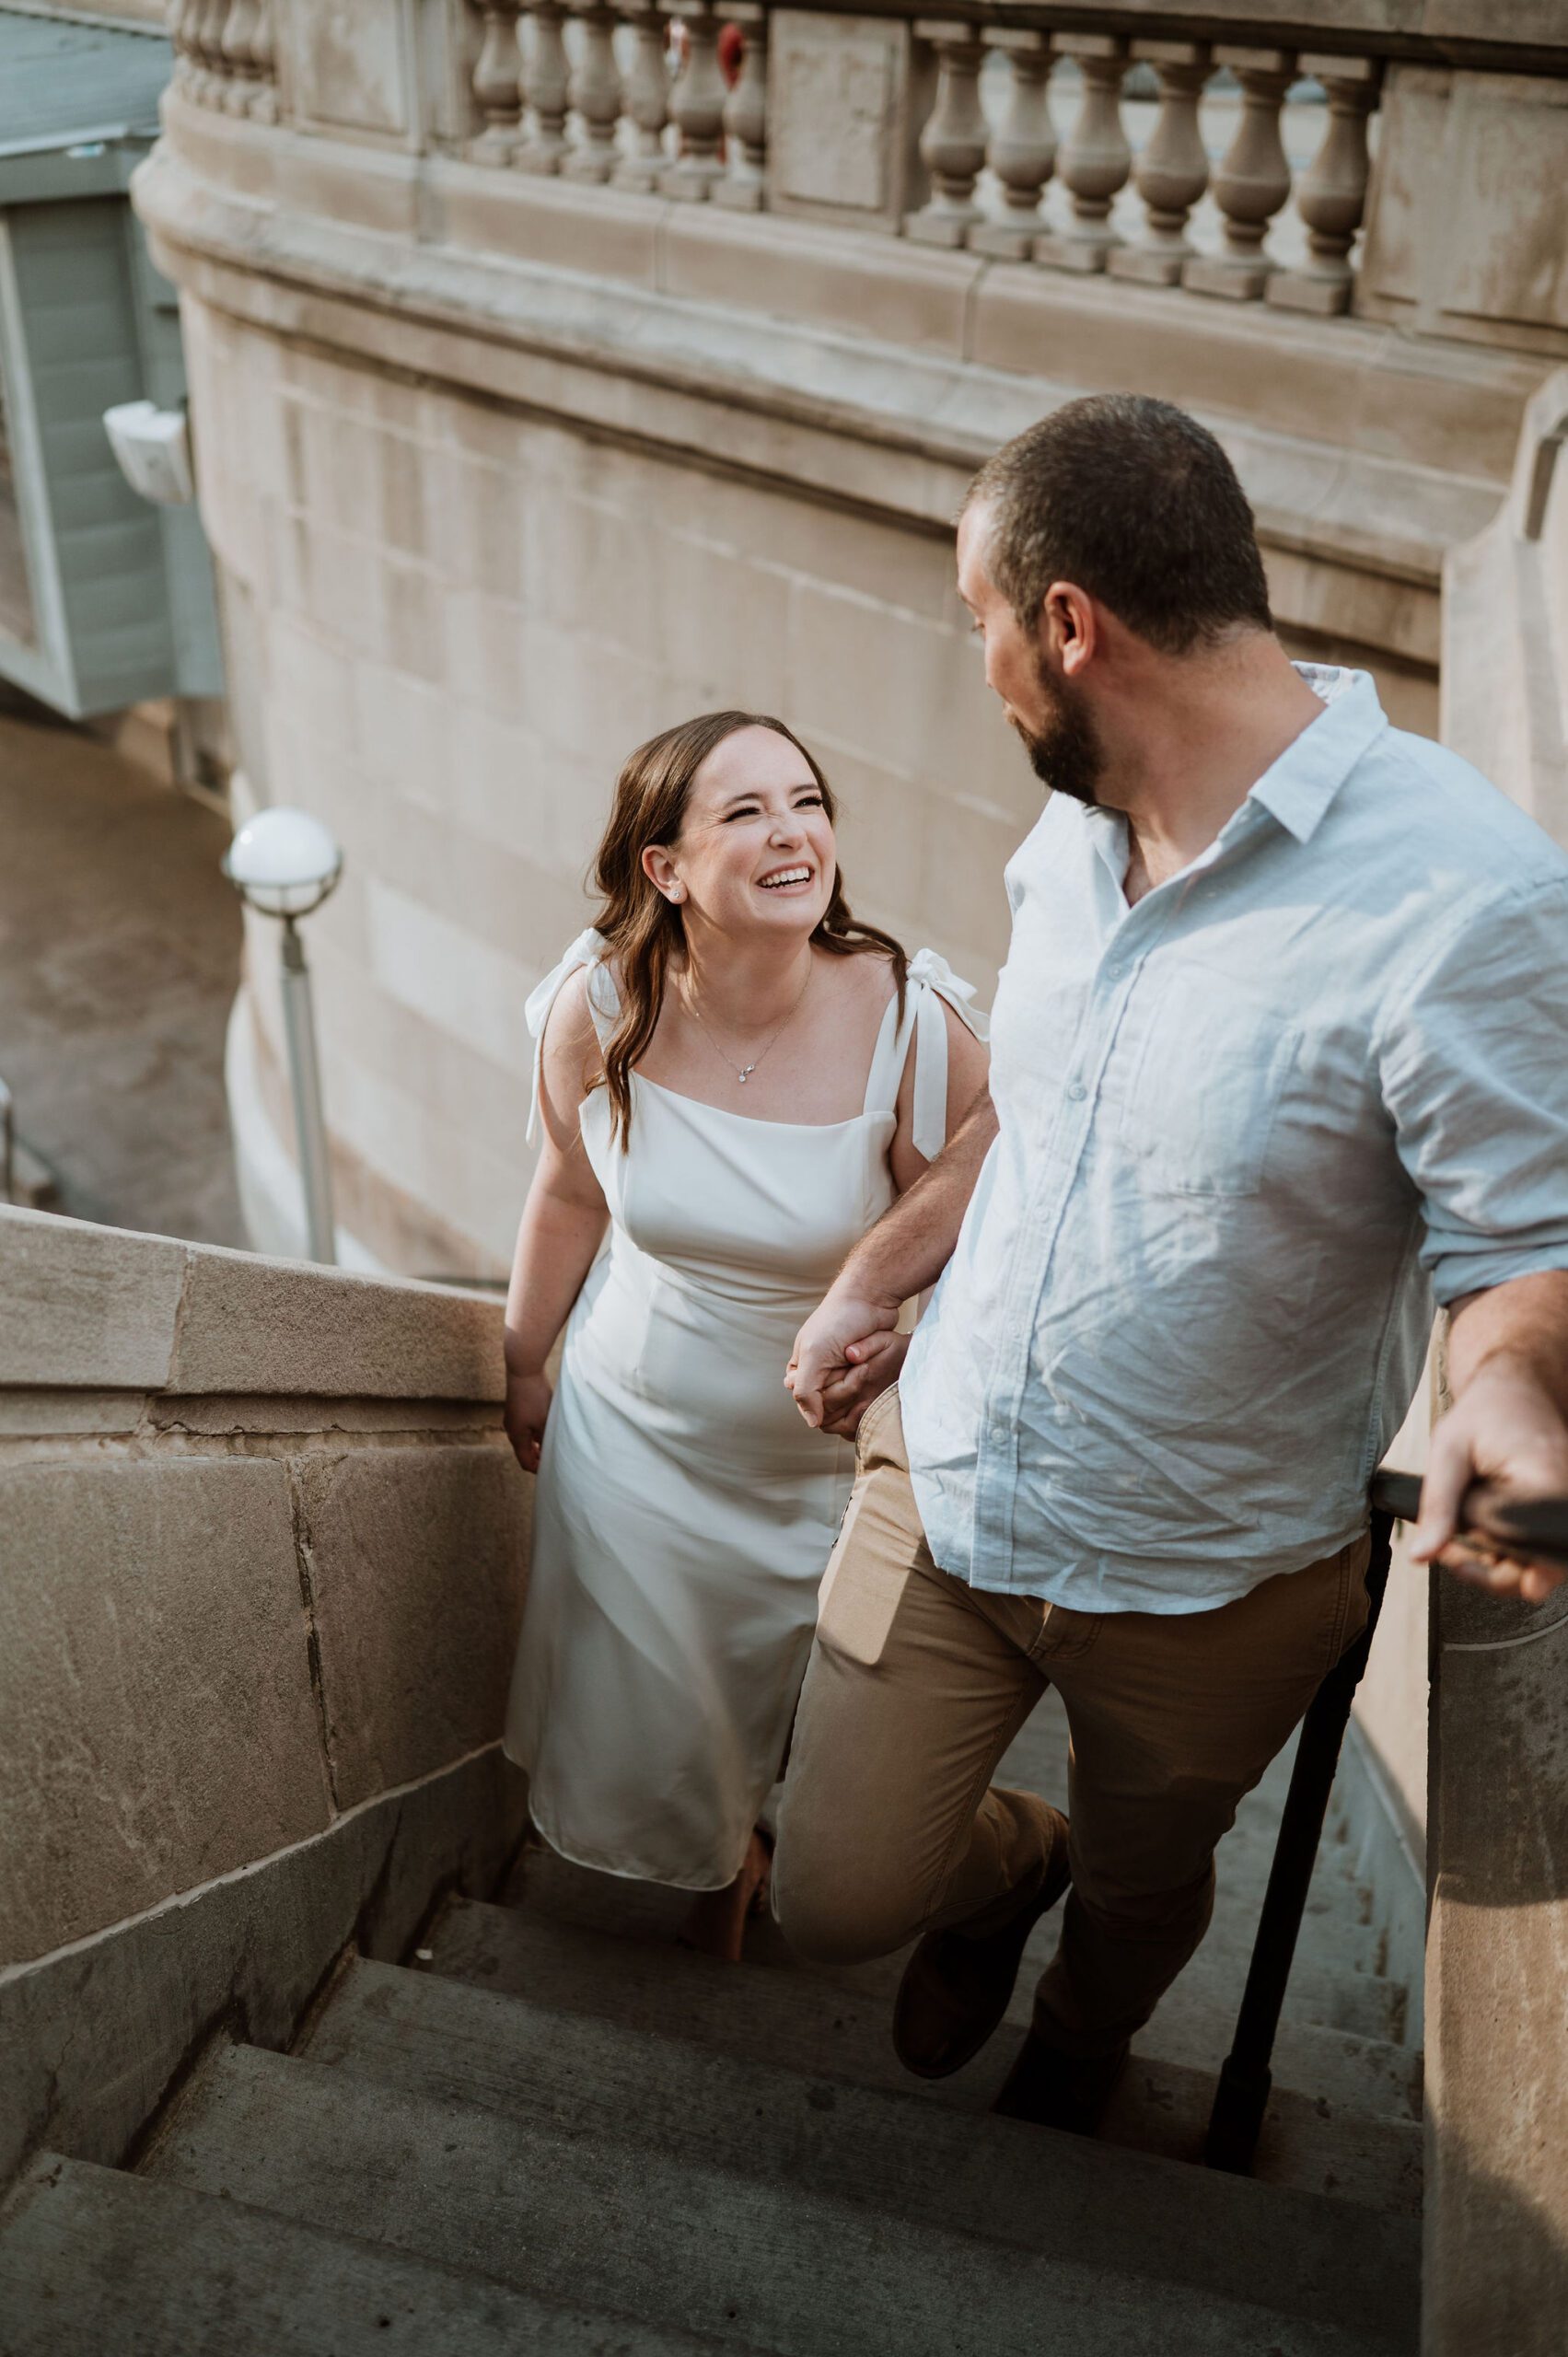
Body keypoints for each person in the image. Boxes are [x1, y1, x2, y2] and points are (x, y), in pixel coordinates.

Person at [775, 393, 1568, 2130]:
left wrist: (1507, 1390)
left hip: (1210, 1580)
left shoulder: (1472, 899)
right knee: (832, 1895)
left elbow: (1525, 1246)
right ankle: (1002, 1870)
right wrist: (877, 1278)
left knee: (1148, 1899)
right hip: (955, 1474)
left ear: (1073, 628)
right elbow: (1027, 1119)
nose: (978, 666)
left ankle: (1081, 2039)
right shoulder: (1071, 834)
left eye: (980, 622)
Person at [502, 710, 988, 1960]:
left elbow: (981, 1225)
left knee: (811, 1726)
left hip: (827, 1468)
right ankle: (721, 1879)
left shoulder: (912, 1025)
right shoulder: (595, 1004)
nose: (794, 835)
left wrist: (903, 1338)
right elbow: (568, 1190)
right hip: (634, 1441)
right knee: (668, 1717)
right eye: (748, 812)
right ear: (663, 867)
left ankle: (790, 1848)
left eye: (808, 801)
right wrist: (522, 1360)